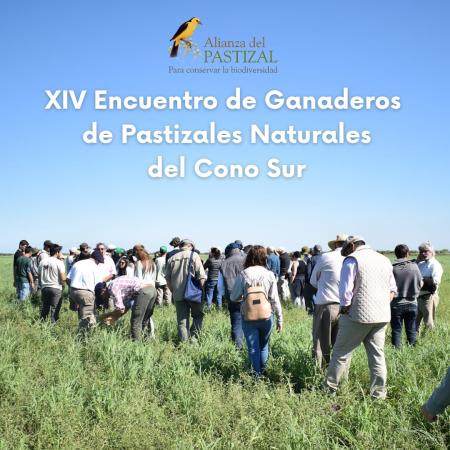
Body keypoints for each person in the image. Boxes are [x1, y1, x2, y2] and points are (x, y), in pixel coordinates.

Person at [324, 236, 397, 399]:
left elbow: (346, 291)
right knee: (377, 356)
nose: (343, 249)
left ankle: (329, 390)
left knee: (340, 353)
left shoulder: (352, 259)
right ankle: (379, 394)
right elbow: (392, 290)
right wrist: (381, 305)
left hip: (357, 316)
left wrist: (344, 309)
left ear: (352, 245)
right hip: (382, 315)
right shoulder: (384, 259)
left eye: (345, 246)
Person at [230, 245, 283, 376]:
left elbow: (233, 297)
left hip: (248, 315)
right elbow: (275, 299)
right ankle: (264, 373)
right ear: (264, 257)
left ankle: (256, 377)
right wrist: (280, 319)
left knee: (253, 348)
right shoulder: (269, 274)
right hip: (267, 315)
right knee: (264, 346)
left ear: (249, 257)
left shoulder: (243, 274)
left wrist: (244, 297)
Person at [309, 234, 346, 368]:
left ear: (335, 244)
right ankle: (338, 372)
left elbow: (313, 281)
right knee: (341, 345)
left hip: (326, 303)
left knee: (320, 342)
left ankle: (321, 371)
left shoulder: (326, 257)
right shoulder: (352, 259)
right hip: (346, 306)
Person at [165, 239, 206, 341]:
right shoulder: (194, 255)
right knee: (198, 316)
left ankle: (184, 342)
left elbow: (167, 280)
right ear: (190, 246)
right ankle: (193, 339)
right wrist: (203, 291)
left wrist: (173, 291)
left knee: (182, 320)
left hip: (178, 294)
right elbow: (201, 276)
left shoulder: (171, 258)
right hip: (194, 293)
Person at [96, 276, 157, 340]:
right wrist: (114, 316)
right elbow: (125, 307)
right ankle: (148, 341)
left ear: (103, 291)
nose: (103, 298)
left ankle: (136, 344)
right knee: (145, 319)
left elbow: (120, 309)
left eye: (102, 296)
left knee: (136, 322)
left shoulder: (112, 288)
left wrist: (107, 315)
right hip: (152, 290)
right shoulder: (116, 284)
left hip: (144, 291)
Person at [390, 244, 422, 347]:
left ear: (395, 254)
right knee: (411, 329)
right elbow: (420, 283)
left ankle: (396, 351)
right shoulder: (414, 266)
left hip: (396, 303)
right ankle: (412, 349)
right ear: (408, 253)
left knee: (396, 330)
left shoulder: (392, 267)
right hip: (412, 302)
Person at [66, 249, 104, 329]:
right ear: (97, 260)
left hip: (73, 291)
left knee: (81, 314)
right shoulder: (94, 266)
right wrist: (99, 300)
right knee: (87, 318)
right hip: (86, 293)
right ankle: (85, 334)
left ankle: (82, 330)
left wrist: (73, 290)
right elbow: (99, 285)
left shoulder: (77, 263)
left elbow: (68, 279)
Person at [221, 242, 246, 349]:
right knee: (249, 322)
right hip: (247, 296)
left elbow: (222, 284)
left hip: (232, 297)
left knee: (236, 322)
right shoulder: (246, 260)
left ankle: (238, 347)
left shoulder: (224, 263)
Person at [416, 242, 443, 332]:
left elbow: (435, 282)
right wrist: (417, 260)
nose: (423, 253)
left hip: (428, 297)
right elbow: (413, 275)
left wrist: (421, 281)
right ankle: (414, 340)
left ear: (432, 252)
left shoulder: (435, 265)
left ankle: (430, 339)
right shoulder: (420, 264)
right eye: (421, 252)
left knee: (428, 323)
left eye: (426, 251)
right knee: (415, 322)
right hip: (418, 297)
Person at [39, 244, 66, 322]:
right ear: (57, 252)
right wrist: (63, 285)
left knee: (45, 307)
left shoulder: (42, 261)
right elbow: (63, 278)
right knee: (55, 308)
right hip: (56, 287)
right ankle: (53, 324)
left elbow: (39, 275)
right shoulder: (59, 262)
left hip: (44, 287)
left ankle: (42, 322)